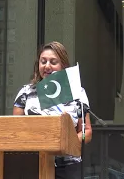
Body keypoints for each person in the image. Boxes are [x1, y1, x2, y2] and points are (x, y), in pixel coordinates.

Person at [13, 41, 92, 179]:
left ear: (63, 66)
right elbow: (14, 129)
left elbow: (86, 132)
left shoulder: (77, 93)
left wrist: (66, 144)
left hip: (68, 166)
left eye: (53, 62)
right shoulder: (26, 92)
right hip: (34, 164)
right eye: (43, 61)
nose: (47, 66)